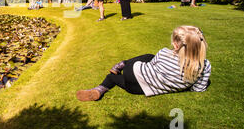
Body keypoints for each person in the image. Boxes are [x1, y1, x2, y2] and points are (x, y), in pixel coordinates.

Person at [76, 25, 211, 101]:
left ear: (176, 45)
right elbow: (198, 89)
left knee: (148, 57)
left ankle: (118, 68)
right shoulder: (205, 67)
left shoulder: (165, 53)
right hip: (138, 90)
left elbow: (151, 66)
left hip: (133, 72)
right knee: (116, 78)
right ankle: (101, 89)